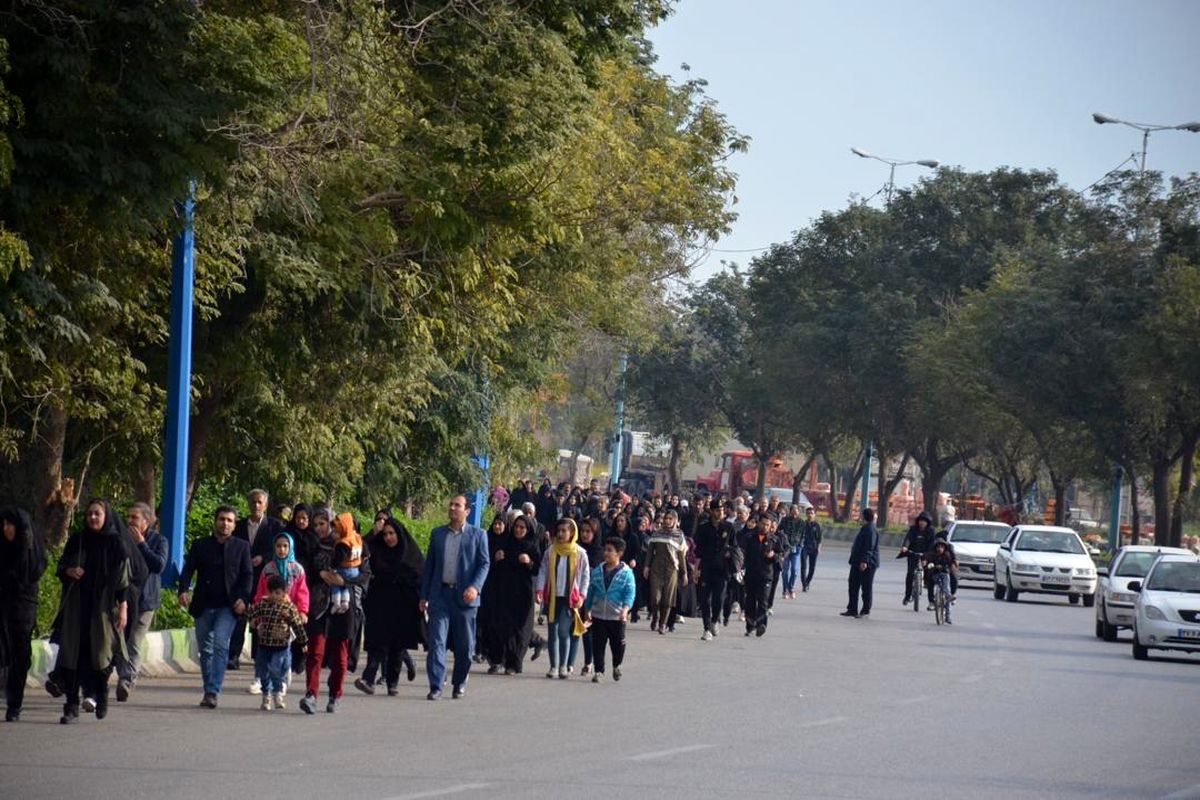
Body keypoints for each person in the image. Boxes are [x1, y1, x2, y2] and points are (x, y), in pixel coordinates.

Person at [52, 499, 132, 723]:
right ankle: (71, 706)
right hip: (77, 608)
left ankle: (101, 693)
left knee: (101, 656)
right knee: (72, 655)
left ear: (106, 516)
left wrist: (123, 609)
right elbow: (60, 567)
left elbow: (123, 582)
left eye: (97, 514)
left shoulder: (116, 543)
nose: (93, 518)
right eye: (89, 514)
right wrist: (69, 570)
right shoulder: (78, 540)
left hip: (103, 610)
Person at [179, 505, 254, 709]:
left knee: (221, 645)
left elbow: (248, 576)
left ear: (234, 524)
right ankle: (208, 688)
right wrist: (183, 590)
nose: (225, 523)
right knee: (205, 649)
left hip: (228, 607)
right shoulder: (200, 545)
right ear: (215, 521)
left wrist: (243, 599)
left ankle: (213, 691)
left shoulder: (242, 547)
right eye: (222, 519)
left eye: (229, 520)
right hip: (204, 605)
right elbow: (188, 570)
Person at [300, 509, 371, 714]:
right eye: (316, 525)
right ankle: (311, 694)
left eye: (323, 524)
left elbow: (365, 574)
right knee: (315, 652)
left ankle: (335, 695)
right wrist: (321, 574)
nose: (319, 528)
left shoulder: (354, 542)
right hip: (320, 604)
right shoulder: (312, 546)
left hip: (344, 606)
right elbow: (306, 573)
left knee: (340, 656)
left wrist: (344, 580)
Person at [420, 495, 490, 701]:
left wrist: (475, 587)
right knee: (436, 642)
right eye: (451, 504)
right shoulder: (438, 534)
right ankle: (436, 685)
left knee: (465, 646)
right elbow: (430, 567)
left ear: (467, 511)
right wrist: (424, 595)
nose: (452, 508)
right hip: (440, 595)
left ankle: (459, 682)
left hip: (465, 598)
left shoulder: (478, 535)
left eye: (457, 505)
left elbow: (484, 564)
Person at [356, 517, 424, 695]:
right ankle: (368, 679)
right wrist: (374, 533)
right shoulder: (378, 551)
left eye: (391, 533)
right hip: (381, 603)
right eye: (385, 534)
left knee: (398, 645)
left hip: (403, 605)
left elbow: (419, 576)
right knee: (379, 642)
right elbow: (362, 547)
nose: (388, 538)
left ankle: (392, 683)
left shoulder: (410, 553)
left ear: (399, 534)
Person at [230, 489, 284, 678]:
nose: (256, 505)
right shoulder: (239, 526)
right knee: (240, 614)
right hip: (242, 577)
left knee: (261, 615)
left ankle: (257, 656)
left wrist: (264, 557)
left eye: (260, 502)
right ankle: (233, 655)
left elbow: (280, 549)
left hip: (265, 577)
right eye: (253, 502)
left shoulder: (275, 526)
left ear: (266, 505)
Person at [116, 502, 167, 702]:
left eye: (134, 517)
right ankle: (123, 674)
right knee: (120, 641)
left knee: (134, 642)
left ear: (146, 521)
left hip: (146, 601)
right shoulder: (121, 539)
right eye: (128, 517)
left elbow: (159, 565)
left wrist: (141, 545)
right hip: (123, 599)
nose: (130, 521)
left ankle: (126, 681)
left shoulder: (159, 540)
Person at [0, 507, 48, 722]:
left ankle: (14, 704)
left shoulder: (31, 554)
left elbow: (31, 572)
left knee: (20, 655)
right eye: (4, 524)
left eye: (10, 524)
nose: (6, 529)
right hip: (3, 604)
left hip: (23, 608)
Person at [479, 514, 541, 675]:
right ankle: (497, 660)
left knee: (518, 630)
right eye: (517, 527)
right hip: (503, 591)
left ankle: (513, 664)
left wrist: (529, 562)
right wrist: (496, 558)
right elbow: (490, 566)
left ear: (528, 530)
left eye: (522, 528)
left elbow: (538, 569)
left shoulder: (532, 546)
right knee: (499, 626)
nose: (519, 530)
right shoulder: (506, 543)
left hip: (522, 594)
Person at [536, 517, 590, 679]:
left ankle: (563, 666)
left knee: (563, 631)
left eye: (564, 531)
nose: (560, 534)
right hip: (552, 597)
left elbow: (585, 576)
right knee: (552, 632)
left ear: (572, 532)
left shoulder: (580, 553)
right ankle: (553, 666)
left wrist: (582, 595)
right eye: (558, 531)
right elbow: (543, 571)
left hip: (570, 599)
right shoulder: (551, 551)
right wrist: (539, 589)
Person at [247, 574, 308, 710]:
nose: (275, 596)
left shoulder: (288, 608)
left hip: (280, 646)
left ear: (284, 593)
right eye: (272, 592)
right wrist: (253, 620)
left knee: (276, 669)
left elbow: (297, 625)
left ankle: (278, 693)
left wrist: (303, 643)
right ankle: (266, 695)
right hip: (264, 645)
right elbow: (252, 613)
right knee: (262, 672)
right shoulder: (263, 604)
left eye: (278, 593)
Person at [584, 537, 635, 682]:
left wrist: (625, 610)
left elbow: (630, 593)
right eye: (605, 550)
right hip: (599, 614)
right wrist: (587, 608)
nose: (606, 553)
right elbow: (591, 590)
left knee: (617, 644)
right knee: (598, 645)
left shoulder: (626, 573)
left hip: (617, 616)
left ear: (619, 553)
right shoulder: (598, 571)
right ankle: (599, 671)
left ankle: (617, 665)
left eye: (610, 551)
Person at [643, 509, 688, 634]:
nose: (667, 521)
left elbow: (681, 557)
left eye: (670, 519)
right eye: (666, 518)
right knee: (655, 597)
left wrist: (684, 574)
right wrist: (647, 566)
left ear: (675, 520)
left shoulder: (679, 535)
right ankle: (655, 617)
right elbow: (650, 552)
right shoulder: (657, 533)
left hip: (671, 569)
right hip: (656, 568)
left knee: (668, 599)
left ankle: (663, 623)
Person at [694, 501, 734, 641]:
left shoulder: (729, 527)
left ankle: (715, 620)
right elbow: (698, 551)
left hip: (723, 569)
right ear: (711, 511)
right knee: (705, 599)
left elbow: (735, 547)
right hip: (707, 567)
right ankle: (706, 628)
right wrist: (696, 570)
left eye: (722, 510)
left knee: (719, 598)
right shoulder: (703, 528)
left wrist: (731, 555)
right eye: (717, 510)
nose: (720, 512)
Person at [741, 514, 780, 637]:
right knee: (750, 601)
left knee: (763, 601)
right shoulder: (749, 538)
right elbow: (742, 554)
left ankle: (761, 624)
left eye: (768, 525)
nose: (765, 527)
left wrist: (774, 556)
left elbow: (782, 557)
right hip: (751, 575)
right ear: (759, 523)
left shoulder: (774, 540)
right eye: (763, 524)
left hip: (766, 576)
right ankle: (750, 625)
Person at [842, 507, 880, 619]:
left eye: (861, 515)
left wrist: (865, 561)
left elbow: (870, 547)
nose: (860, 516)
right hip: (857, 561)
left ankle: (865, 610)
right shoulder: (866, 527)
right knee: (853, 584)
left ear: (865, 516)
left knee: (866, 587)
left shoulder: (871, 529)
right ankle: (852, 609)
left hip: (867, 563)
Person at [329, 513, 363, 614]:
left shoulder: (343, 544)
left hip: (344, 569)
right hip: (355, 569)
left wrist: (332, 568)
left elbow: (339, 559)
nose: (334, 532)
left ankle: (336, 602)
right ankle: (345, 602)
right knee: (346, 587)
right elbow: (365, 552)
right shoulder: (356, 538)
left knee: (335, 583)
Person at [899, 511, 935, 606]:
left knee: (930, 576)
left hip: (926, 555)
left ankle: (931, 601)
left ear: (927, 522)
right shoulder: (913, 529)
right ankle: (907, 596)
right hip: (913, 553)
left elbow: (932, 544)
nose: (922, 523)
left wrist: (928, 555)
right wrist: (905, 547)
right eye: (920, 521)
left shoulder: (931, 531)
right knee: (910, 574)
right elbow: (908, 539)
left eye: (924, 521)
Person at [923, 539, 957, 624]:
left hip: (944, 574)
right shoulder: (931, 555)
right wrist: (926, 564)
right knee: (931, 586)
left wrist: (953, 566)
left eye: (942, 547)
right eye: (938, 547)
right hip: (934, 575)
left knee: (947, 591)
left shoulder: (947, 555)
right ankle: (932, 602)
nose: (940, 549)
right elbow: (925, 561)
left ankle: (948, 616)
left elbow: (952, 564)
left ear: (944, 548)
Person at [779, 504, 804, 599]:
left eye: (796, 511)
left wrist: (800, 545)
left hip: (796, 548)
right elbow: (779, 530)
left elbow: (803, 535)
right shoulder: (785, 520)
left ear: (799, 512)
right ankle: (785, 590)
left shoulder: (802, 522)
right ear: (790, 511)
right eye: (793, 511)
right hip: (785, 548)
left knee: (794, 570)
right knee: (785, 571)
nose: (794, 513)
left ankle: (791, 587)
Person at [799, 506, 822, 592]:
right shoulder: (803, 524)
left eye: (812, 513)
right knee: (803, 566)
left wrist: (819, 548)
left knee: (812, 567)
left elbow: (819, 538)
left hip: (814, 548)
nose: (810, 515)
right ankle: (804, 584)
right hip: (804, 547)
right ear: (806, 514)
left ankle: (808, 582)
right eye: (808, 513)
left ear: (814, 515)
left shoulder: (817, 525)